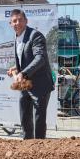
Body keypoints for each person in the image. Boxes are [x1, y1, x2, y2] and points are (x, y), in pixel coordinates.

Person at [6, 9, 54, 139]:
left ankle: (39, 148)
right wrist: (15, 68)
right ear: (10, 24)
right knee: (25, 118)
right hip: (25, 84)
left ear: (26, 21)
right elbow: (26, 59)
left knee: (39, 120)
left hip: (40, 84)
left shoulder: (35, 36)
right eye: (14, 21)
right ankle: (27, 148)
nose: (17, 23)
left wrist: (23, 72)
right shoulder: (16, 38)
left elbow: (40, 58)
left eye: (20, 20)